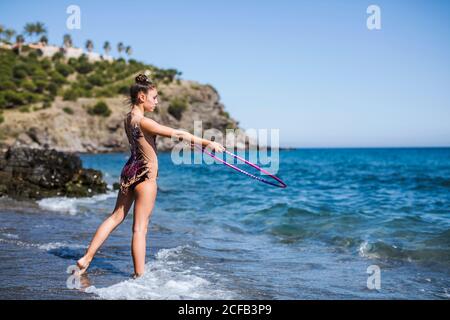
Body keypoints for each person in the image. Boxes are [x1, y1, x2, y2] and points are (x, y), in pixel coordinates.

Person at [76, 74, 225, 278]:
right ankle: (139, 277)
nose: (157, 101)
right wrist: (209, 143)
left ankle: (86, 258)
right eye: (154, 97)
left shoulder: (129, 119)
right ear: (141, 97)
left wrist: (192, 143)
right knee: (140, 229)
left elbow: (147, 142)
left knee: (115, 217)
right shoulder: (144, 121)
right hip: (145, 176)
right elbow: (178, 134)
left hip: (129, 171)